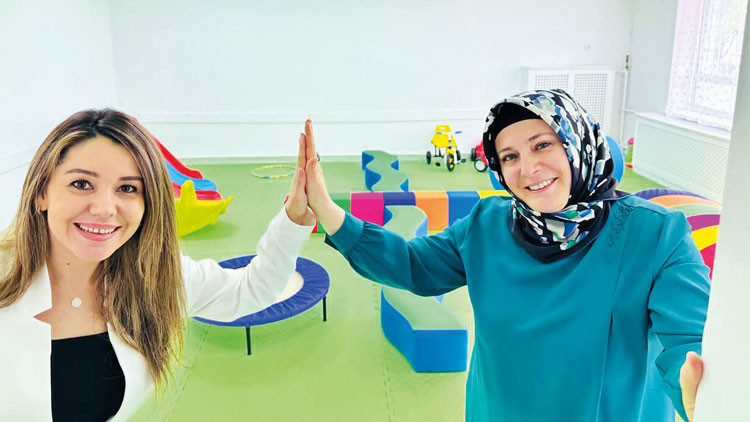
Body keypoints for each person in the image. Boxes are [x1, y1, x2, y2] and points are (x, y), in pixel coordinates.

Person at [300, 89, 710, 422]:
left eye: (542, 145)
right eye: (510, 156)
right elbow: (414, 265)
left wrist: (703, 395)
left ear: (577, 143)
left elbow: (689, 341)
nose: (528, 169)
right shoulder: (487, 224)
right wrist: (329, 212)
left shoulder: (655, 234)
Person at [0, 109, 315, 421]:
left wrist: (295, 218)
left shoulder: (155, 279)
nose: (104, 209)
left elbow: (253, 288)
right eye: (82, 184)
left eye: (127, 188)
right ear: (41, 193)